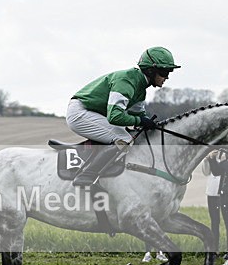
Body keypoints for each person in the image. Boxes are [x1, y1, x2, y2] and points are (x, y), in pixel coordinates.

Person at [67, 47, 180, 186]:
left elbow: (139, 115)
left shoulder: (140, 88)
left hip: (93, 112)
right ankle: (86, 175)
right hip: (80, 113)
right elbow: (115, 117)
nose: (167, 77)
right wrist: (140, 121)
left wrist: (149, 124)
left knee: (131, 135)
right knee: (124, 139)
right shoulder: (126, 82)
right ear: (151, 70)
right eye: (164, 72)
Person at [202, 151, 222, 253]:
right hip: (212, 192)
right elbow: (206, 172)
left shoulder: (225, 156)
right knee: (214, 221)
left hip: (223, 192)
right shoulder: (211, 157)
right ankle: (214, 248)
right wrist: (206, 160)